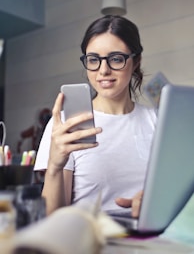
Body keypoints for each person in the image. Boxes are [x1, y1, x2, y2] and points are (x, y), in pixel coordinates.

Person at [34, 15, 157, 216]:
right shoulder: (66, 125)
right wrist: (55, 166)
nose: (103, 70)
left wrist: (153, 203)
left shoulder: (157, 121)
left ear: (136, 62)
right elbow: (53, 218)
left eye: (116, 59)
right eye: (93, 60)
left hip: (150, 243)